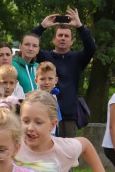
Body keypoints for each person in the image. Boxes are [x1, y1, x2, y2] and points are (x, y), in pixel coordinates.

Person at [29, 8, 96, 138]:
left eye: (66, 36)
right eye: (60, 35)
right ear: (54, 39)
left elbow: (91, 48)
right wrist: (42, 27)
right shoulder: (44, 56)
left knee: (67, 154)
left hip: (68, 117)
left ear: (71, 41)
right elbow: (28, 45)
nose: (63, 38)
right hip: (44, 115)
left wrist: (80, 27)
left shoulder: (78, 59)